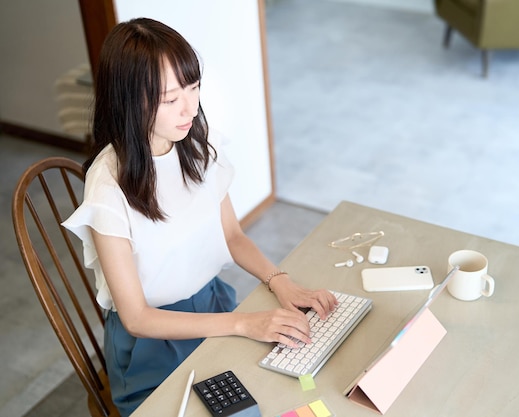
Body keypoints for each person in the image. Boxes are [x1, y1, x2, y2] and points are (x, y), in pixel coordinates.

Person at [62, 17, 337, 417]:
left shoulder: (195, 140)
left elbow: (233, 235)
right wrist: (244, 324)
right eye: (170, 99)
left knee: (290, 389)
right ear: (129, 99)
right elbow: (137, 318)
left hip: (212, 306)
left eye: (193, 88)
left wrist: (282, 283)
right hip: (152, 346)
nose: (189, 108)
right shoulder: (108, 188)